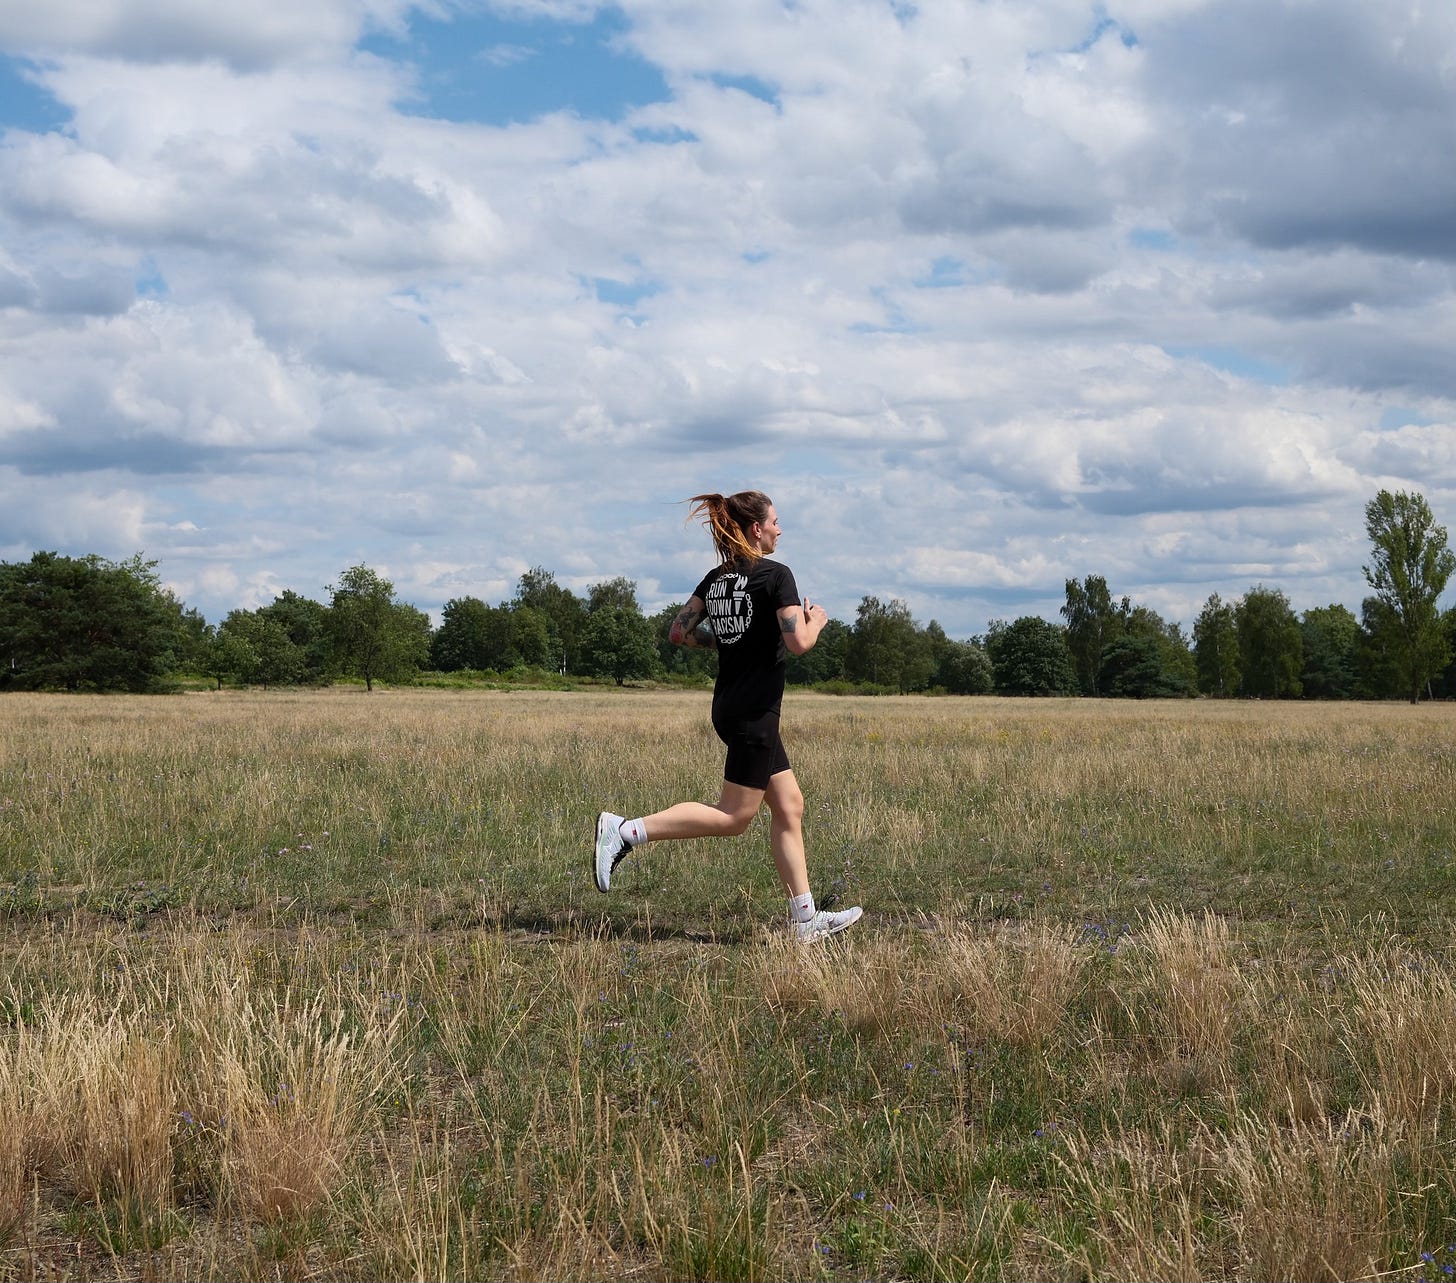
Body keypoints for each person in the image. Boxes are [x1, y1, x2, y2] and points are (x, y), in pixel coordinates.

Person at [594, 490, 863, 942]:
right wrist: (816, 620)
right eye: (776, 521)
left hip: (732, 707)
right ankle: (625, 831)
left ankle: (804, 921)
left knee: (789, 805)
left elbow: (679, 632)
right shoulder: (778, 576)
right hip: (755, 712)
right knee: (735, 817)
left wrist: (728, 640)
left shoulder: (715, 579)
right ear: (756, 528)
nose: (780, 528)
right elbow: (798, 643)